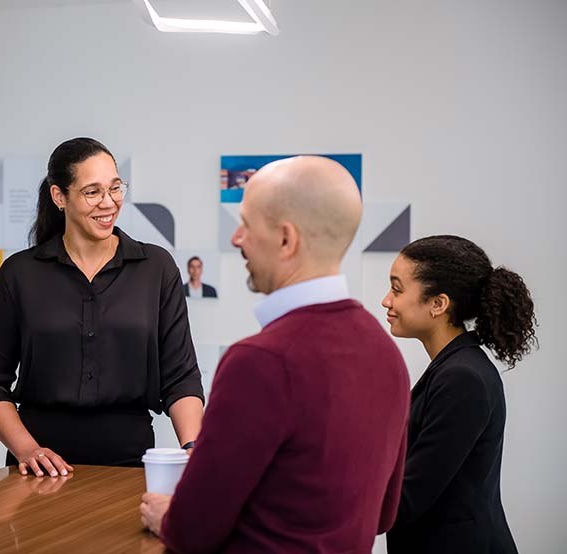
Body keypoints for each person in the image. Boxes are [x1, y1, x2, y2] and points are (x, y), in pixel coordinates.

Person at [140, 156, 411, 553]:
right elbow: (384, 515)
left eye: (246, 225)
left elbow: (191, 531)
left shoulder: (259, 363)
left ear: (286, 240)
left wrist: (167, 517)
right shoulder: (386, 354)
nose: (236, 239)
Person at [0, 137, 204, 477]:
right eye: (92, 192)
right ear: (59, 196)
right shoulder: (19, 273)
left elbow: (181, 378)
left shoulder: (156, 267)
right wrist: (28, 449)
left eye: (115, 188)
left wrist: (193, 449)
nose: (108, 202)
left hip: (129, 466)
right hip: (40, 471)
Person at [383, 236, 536, 554]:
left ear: (438, 304)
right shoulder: (454, 369)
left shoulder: (462, 379)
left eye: (397, 289)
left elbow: (408, 498)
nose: (386, 301)